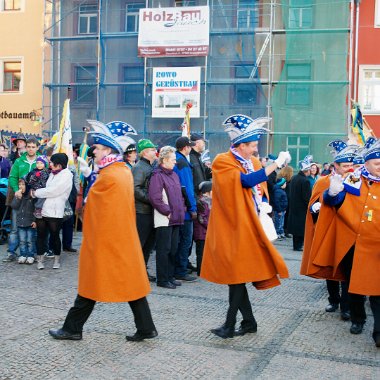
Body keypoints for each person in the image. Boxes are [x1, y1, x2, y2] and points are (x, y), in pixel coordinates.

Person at [49, 120, 157, 342]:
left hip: (108, 242)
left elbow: (96, 211)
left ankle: (72, 328)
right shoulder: (119, 171)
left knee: (91, 285)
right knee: (131, 285)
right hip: (120, 241)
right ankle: (146, 328)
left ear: (107, 149)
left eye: (96, 148)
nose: (93, 152)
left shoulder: (110, 175)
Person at [200, 114, 290, 339]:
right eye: (252, 146)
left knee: (237, 276)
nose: (255, 150)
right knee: (236, 276)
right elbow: (246, 181)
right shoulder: (223, 161)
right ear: (239, 146)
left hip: (249, 225)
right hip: (232, 225)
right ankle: (244, 323)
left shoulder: (253, 163)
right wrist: (275, 164)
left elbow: (261, 186)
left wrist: (266, 204)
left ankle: (235, 325)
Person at [311, 137, 380, 348]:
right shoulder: (352, 181)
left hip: (377, 245)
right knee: (355, 286)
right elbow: (335, 202)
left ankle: (378, 331)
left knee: (377, 290)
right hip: (355, 244)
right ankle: (358, 319)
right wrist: (330, 193)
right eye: (377, 163)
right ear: (366, 163)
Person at [301, 140, 358, 321]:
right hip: (328, 231)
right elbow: (312, 206)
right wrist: (316, 208)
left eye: (351, 165)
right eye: (345, 165)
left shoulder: (356, 179)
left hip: (348, 230)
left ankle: (346, 307)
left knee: (348, 270)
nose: (349, 168)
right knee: (330, 268)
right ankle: (333, 299)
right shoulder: (324, 181)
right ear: (336, 165)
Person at [148, 146, 186, 289]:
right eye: (173, 159)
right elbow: (155, 197)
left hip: (176, 217)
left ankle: (170, 276)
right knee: (164, 250)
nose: (175, 162)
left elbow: (179, 195)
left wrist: (182, 208)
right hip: (165, 218)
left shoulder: (174, 175)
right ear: (164, 160)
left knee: (173, 249)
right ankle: (162, 279)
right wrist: (167, 211)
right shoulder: (157, 175)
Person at [32, 153, 73, 270]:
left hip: (55, 211)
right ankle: (40, 260)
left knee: (55, 236)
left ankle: (57, 259)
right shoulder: (52, 174)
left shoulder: (66, 176)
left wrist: (36, 192)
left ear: (59, 165)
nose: (49, 164)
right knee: (40, 235)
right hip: (42, 209)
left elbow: (53, 191)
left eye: (51, 162)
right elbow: (47, 189)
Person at [3, 137, 40, 262]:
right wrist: (16, 189)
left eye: (33, 147)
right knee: (14, 227)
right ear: (26, 147)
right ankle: (11, 252)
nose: (30, 149)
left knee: (33, 226)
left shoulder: (41, 161)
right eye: (28, 146)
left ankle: (31, 253)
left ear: (37, 148)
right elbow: (12, 177)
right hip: (19, 199)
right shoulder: (19, 161)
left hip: (34, 200)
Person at [132, 138, 158, 282]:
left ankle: (142, 271)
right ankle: (136, 273)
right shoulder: (139, 168)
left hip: (149, 211)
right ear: (146, 152)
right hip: (142, 212)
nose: (156, 152)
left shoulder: (149, 166)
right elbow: (135, 188)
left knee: (148, 244)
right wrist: (152, 199)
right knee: (141, 244)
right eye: (153, 149)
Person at [173, 136, 197, 282]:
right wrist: (192, 207)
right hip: (185, 209)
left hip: (178, 206)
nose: (191, 148)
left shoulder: (177, 160)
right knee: (185, 240)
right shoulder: (183, 163)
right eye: (190, 146)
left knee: (179, 240)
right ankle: (180, 270)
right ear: (185, 148)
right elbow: (187, 187)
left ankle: (179, 267)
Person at [287, 155, 313, 251]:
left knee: (295, 228)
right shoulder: (305, 181)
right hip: (302, 208)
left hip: (294, 205)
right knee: (301, 228)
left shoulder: (294, 178)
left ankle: (296, 245)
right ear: (307, 170)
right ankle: (298, 246)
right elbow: (306, 197)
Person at [11, 179, 36, 264]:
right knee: (22, 241)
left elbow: (36, 210)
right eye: (19, 184)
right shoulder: (18, 195)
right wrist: (18, 198)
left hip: (30, 222)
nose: (20, 186)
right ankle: (23, 255)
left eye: (23, 184)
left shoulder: (32, 196)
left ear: (27, 186)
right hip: (20, 223)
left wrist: (34, 221)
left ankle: (30, 255)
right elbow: (14, 206)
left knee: (30, 241)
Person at [193, 180, 212, 276]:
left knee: (205, 253)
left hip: (205, 232)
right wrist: (210, 226)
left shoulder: (207, 201)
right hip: (201, 233)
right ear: (206, 192)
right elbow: (201, 218)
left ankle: (205, 269)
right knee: (201, 253)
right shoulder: (202, 202)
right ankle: (200, 271)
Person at [277, 165, 294, 238]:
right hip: (286, 200)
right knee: (284, 217)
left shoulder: (281, 179)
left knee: (283, 218)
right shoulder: (286, 181)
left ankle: (283, 230)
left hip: (284, 200)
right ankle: (284, 231)